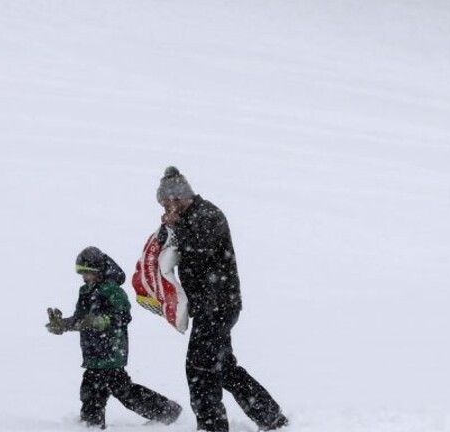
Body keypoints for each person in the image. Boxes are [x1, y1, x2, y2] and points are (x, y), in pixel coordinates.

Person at [155, 166, 288, 432]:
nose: (166, 208)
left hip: (217, 305)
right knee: (223, 367)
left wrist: (175, 226)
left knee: (200, 368)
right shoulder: (188, 217)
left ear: (179, 197)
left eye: (168, 203)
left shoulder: (208, 214)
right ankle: (271, 417)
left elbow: (199, 249)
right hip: (211, 305)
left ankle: (212, 426)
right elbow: (168, 243)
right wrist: (167, 229)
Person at [46, 246, 182, 429]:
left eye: (88, 273)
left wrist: (101, 321)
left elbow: (123, 315)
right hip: (93, 352)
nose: (84, 277)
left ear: (99, 271)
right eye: (82, 273)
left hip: (110, 351)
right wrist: (63, 324)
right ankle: (163, 411)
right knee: (104, 389)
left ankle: (93, 423)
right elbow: (81, 319)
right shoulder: (85, 291)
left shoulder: (112, 290)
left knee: (107, 389)